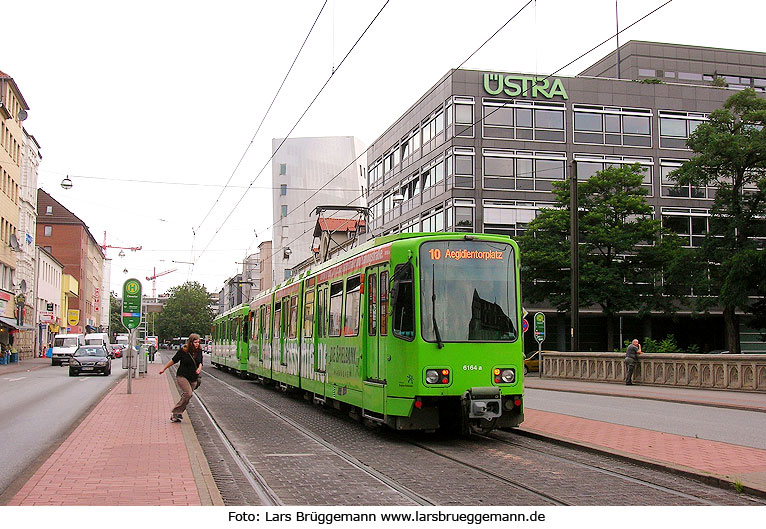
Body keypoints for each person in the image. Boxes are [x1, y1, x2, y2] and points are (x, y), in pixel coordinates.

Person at [159, 333, 203, 423]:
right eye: (195, 342)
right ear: (190, 342)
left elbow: (200, 362)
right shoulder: (183, 351)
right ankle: (176, 411)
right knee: (188, 393)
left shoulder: (199, 351)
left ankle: (177, 414)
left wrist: (199, 369)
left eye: (198, 342)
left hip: (193, 378)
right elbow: (173, 360)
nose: (197, 344)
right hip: (182, 376)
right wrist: (164, 369)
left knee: (186, 396)